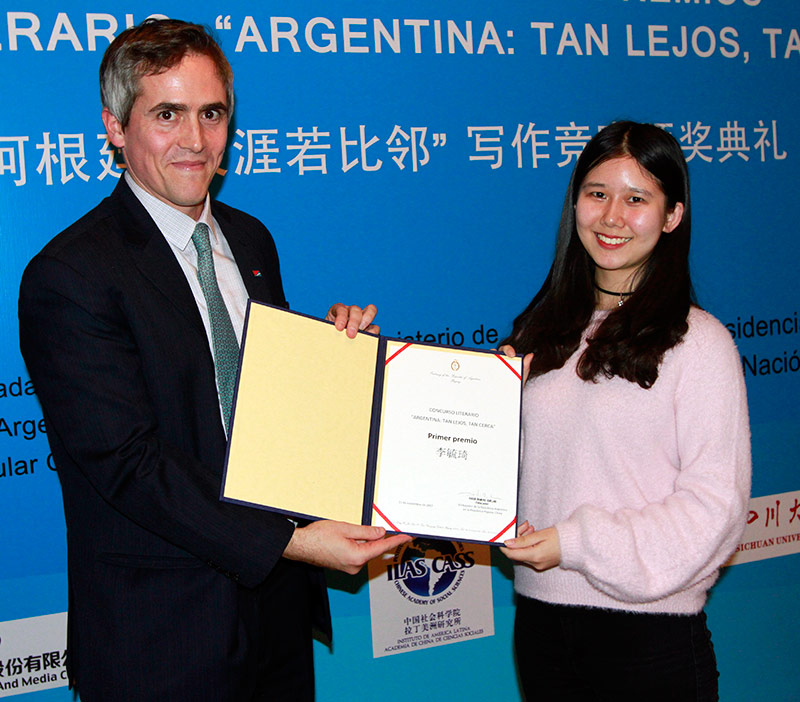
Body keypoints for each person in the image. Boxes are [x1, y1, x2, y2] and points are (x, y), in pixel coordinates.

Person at [18, 18, 409, 702]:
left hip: (276, 615)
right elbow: (129, 466)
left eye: (212, 113)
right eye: (167, 114)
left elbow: (256, 416)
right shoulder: (70, 275)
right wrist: (290, 542)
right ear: (115, 127)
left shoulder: (251, 241)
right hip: (162, 635)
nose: (195, 141)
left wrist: (332, 357)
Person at [499, 121, 751, 701]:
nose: (612, 216)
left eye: (637, 199)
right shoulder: (539, 334)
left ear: (672, 216)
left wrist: (578, 541)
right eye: (597, 193)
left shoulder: (699, 343)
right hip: (540, 622)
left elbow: (715, 508)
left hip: (649, 637)